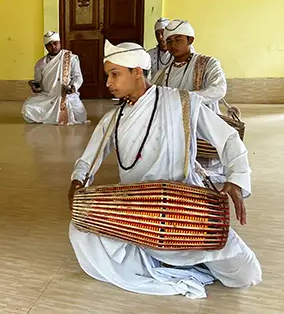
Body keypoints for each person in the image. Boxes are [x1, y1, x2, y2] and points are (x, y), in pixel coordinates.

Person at [67, 40, 261, 299]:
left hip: (188, 212)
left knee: (245, 274)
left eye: (115, 74)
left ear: (137, 72)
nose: (108, 83)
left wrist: (236, 178)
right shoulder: (114, 117)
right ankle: (164, 263)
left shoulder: (182, 103)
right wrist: (78, 182)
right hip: (138, 215)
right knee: (79, 232)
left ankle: (179, 261)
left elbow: (227, 138)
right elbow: (90, 157)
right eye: (108, 75)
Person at [151, 20, 225, 114]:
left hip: (205, 125)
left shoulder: (208, 64)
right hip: (175, 124)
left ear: (190, 40)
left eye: (178, 40)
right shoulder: (162, 74)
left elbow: (219, 89)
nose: (173, 45)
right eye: (169, 41)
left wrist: (181, 99)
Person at [22, 31, 89, 125]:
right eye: (49, 45)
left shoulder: (71, 58)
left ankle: (51, 116)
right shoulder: (40, 64)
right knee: (27, 108)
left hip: (67, 96)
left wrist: (73, 87)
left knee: (80, 115)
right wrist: (34, 86)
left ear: (60, 43)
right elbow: (38, 82)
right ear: (45, 47)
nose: (53, 47)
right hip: (48, 96)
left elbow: (78, 77)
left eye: (55, 43)